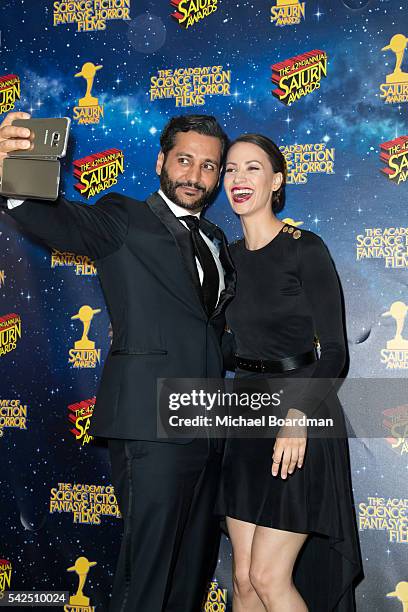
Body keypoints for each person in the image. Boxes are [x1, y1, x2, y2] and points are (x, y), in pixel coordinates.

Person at [0, 112, 236, 611]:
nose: (195, 176)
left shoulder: (216, 240)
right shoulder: (124, 216)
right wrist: (15, 179)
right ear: (161, 161)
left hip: (208, 426)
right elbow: (61, 220)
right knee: (147, 575)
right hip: (150, 422)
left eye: (209, 166)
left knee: (189, 577)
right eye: (185, 160)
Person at [217, 133, 363, 611]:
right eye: (231, 168)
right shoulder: (227, 261)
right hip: (246, 414)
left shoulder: (305, 248)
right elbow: (217, 344)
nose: (239, 178)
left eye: (252, 168)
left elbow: (337, 351)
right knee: (241, 580)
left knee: (267, 576)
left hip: (300, 412)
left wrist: (299, 415)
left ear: (276, 180)